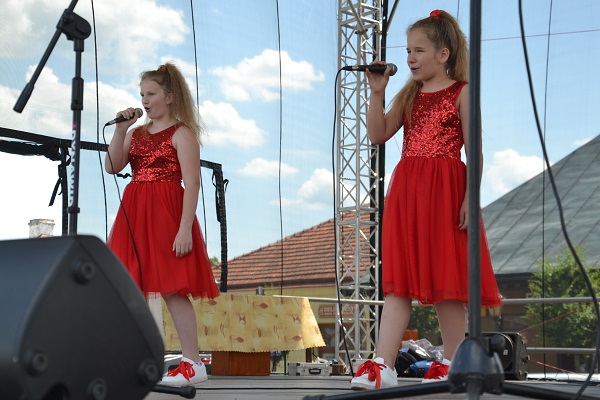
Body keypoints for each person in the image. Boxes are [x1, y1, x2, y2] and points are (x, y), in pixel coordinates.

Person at [350, 10, 503, 390]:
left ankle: (455, 363)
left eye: (419, 50)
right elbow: (378, 134)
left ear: (443, 54)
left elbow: (475, 151)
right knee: (399, 283)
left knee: (447, 283)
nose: (410, 58)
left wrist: (470, 198)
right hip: (409, 191)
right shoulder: (409, 95)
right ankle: (382, 365)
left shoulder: (462, 91)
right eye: (408, 51)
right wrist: (376, 92)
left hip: (446, 192)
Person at [105, 62, 220, 387]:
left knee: (172, 289)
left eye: (151, 94)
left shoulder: (182, 133)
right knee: (130, 286)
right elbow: (113, 166)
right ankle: (130, 359)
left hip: (166, 216)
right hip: (134, 214)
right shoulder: (135, 134)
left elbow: (192, 183)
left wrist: (184, 229)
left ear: (169, 97)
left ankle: (192, 362)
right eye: (142, 94)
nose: (144, 100)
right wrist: (120, 130)